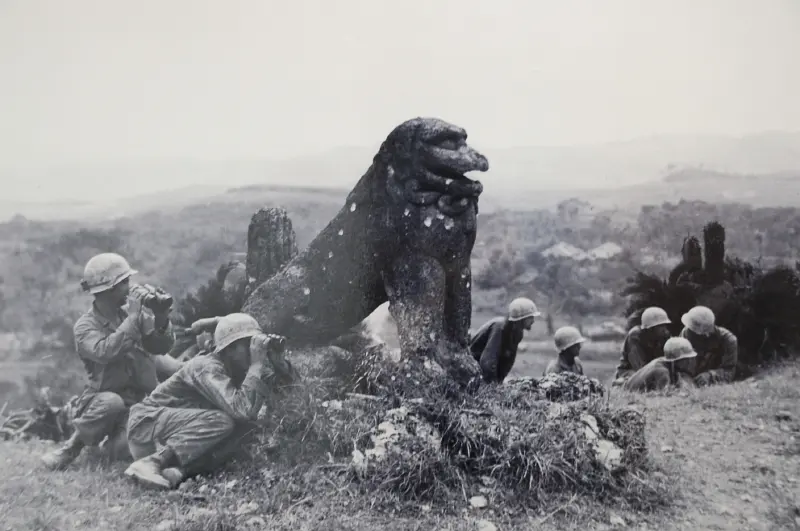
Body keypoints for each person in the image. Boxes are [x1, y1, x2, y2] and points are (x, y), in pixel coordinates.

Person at [124, 313, 298, 490]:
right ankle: (151, 462)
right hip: (147, 427)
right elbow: (242, 410)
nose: (253, 350)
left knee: (248, 431)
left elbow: (293, 394)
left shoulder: (240, 367)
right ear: (228, 349)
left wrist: (280, 365)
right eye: (246, 345)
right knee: (222, 421)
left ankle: (178, 471)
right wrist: (256, 365)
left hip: (174, 432)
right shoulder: (205, 366)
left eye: (253, 344)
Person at [41, 253, 178, 471]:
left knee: (126, 450)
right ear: (107, 290)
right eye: (123, 283)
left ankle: (104, 447)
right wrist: (133, 318)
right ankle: (71, 448)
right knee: (112, 402)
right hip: (100, 401)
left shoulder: (129, 315)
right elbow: (106, 352)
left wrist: (161, 318)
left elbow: (159, 347)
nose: (130, 287)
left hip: (134, 402)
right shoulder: (85, 326)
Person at [469, 297, 540, 383]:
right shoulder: (499, 328)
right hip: (472, 367)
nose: (533, 320)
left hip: (485, 370)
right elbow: (487, 361)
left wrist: (500, 381)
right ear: (521, 319)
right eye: (530, 317)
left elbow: (508, 361)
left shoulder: (518, 334)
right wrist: (493, 386)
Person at [679, 306, 738, 386]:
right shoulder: (686, 333)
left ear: (706, 334)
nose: (689, 332)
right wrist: (684, 377)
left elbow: (729, 372)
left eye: (694, 332)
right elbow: (678, 363)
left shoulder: (728, 341)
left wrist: (710, 375)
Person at [613, 307, 673, 386]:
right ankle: (620, 384)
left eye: (665, 325)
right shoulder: (635, 336)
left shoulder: (664, 336)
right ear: (651, 328)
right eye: (660, 326)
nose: (664, 329)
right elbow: (639, 366)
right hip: (631, 371)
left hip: (654, 369)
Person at [622, 337, 697, 392]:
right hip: (626, 393)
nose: (689, 362)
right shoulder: (662, 372)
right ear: (677, 360)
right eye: (686, 359)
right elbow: (664, 397)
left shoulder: (662, 362)